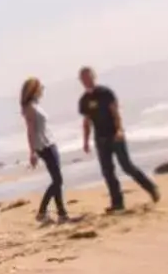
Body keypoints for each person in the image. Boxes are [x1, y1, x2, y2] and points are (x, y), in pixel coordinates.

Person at [76, 65, 160, 213]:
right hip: (100, 139)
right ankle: (117, 203)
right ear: (81, 81)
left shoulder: (105, 93)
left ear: (94, 76)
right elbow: (86, 122)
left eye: (89, 77)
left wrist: (120, 130)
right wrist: (85, 141)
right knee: (108, 171)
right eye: (83, 78)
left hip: (115, 135)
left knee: (127, 166)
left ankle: (151, 188)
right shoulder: (84, 100)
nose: (87, 80)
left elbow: (115, 112)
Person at [20, 77, 68, 225]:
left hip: (49, 143)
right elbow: (30, 131)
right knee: (58, 180)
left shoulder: (35, 105)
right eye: (41, 87)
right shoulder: (30, 107)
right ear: (34, 89)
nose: (43, 90)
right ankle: (42, 212)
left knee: (57, 180)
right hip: (44, 146)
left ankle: (62, 214)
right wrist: (32, 152)